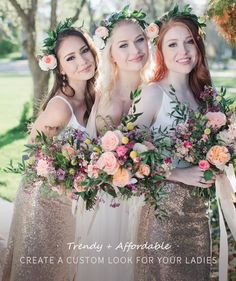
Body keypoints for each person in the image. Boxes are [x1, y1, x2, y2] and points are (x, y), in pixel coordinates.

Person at [1, 19, 98, 281]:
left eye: (84, 50)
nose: (82, 61)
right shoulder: (60, 106)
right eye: (71, 57)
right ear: (61, 69)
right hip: (43, 200)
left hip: (72, 202)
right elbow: (33, 152)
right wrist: (64, 179)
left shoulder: (94, 98)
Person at [74, 6, 158, 281]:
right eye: (123, 44)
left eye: (139, 39)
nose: (135, 49)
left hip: (144, 203)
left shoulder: (156, 92)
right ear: (110, 53)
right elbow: (85, 147)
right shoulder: (100, 94)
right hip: (105, 203)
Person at [133, 5, 215, 281]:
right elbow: (130, 152)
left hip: (198, 212)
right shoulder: (153, 94)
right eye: (173, 44)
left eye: (189, 41)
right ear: (161, 52)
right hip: (163, 213)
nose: (183, 51)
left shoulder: (203, 96)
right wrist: (178, 174)